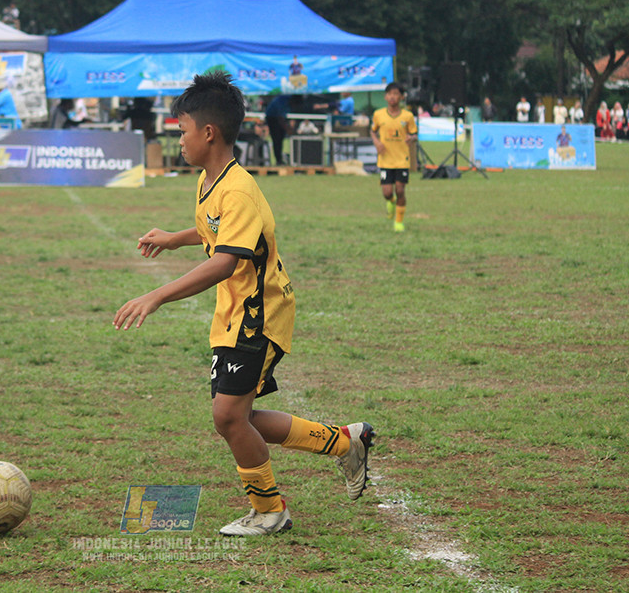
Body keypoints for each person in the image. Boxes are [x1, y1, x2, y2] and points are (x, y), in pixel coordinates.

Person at [113, 72, 374, 536]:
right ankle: (343, 443)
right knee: (241, 416)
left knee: (228, 417)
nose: (179, 139)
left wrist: (156, 295)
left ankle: (270, 510)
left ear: (208, 132)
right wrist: (176, 239)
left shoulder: (237, 189)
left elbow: (226, 261)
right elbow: (217, 231)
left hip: (259, 314)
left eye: (182, 129)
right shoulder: (211, 180)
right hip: (235, 314)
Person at [371, 83, 418, 233]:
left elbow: (414, 134)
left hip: (401, 160)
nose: (392, 97)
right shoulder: (379, 114)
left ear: (401, 97)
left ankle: (399, 222)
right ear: (385, 96)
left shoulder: (407, 116)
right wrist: (377, 142)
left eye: (396, 94)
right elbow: (372, 131)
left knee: (400, 190)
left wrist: (411, 139)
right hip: (385, 160)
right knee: (387, 192)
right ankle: (391, 202)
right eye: (390, 94)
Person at [264, 94, 296, 166]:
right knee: (277, 139)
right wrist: (287, 129)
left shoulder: (287, 100)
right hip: (272, 118)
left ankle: (279, 159)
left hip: (277, 117)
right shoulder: (283, 101)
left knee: (280, 139)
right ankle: (278, 160)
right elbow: (280, 118)